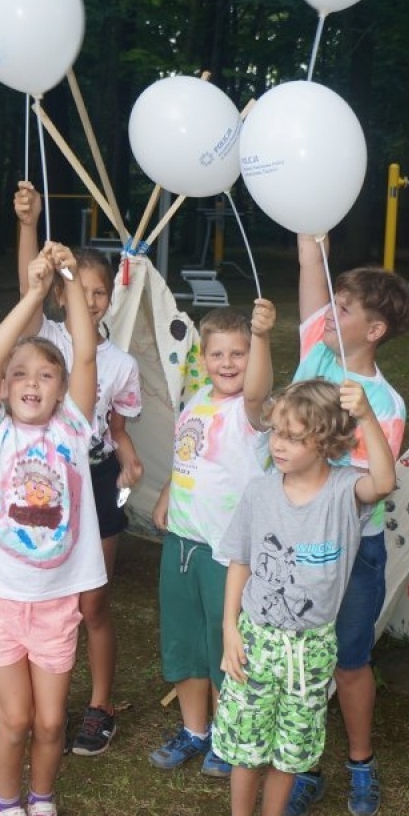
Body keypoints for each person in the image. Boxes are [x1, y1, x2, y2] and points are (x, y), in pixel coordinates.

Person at [214, 379, 398, 816]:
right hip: (255, 640)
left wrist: (366, 416)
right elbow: (241, 561)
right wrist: (231, 628)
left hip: (313, 647)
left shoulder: (345, 490)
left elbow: (383, 482)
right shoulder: (259, 492)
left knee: (291, 749)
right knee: (248, 746)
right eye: (277, 433)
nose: (279, 445)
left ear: (326, 441)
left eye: (294, 438)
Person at [0, 241, 105, 816]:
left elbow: (85, 350)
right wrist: (32, 292)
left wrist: (70, 278)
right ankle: (5, 806)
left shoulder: (73, 429)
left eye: (45, 375)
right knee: (15, 721)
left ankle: (41, 799)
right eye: (21, 375)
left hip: (55, 604)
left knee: (51, 725)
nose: (31, 383)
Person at [282, 238, 409, 816]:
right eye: (333, 304)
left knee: (350, 659)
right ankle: (306, 765)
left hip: (354, 550)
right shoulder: (316, 351)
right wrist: (312, 237)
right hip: (294, 542)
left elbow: (367, 488)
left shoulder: (385, 404)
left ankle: (361, 762)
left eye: (345, 308)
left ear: (375, 330)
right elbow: (310, 268)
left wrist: (354, 418)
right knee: (302, 658)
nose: (331, 313)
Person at [14, 182, 144, 756]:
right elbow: (28, 288)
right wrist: (30, 227)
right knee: (46, 593)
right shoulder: (42, 338)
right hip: (43, 476)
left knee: (93, 601)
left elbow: (116, 422)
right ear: (63, 296)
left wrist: (125, 449)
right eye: (79, 290)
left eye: (99, 292)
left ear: (110, 298)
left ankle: (100, 704)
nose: (89, 301)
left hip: (93, 479)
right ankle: (46, 699)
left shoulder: (120, 363)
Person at [149, 303, 273, 777]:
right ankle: (195, 729)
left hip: (227, 553)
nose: (227, 363)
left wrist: (260, 337)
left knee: (225, 648)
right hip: (182, 543)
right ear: (202, 359)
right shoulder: (197, 399)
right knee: (184, 644)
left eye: (238, 354)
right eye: (217, 354)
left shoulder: (252, 410)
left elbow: (258, 387)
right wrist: (165, 492)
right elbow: (188, 455)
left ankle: (227, 735)